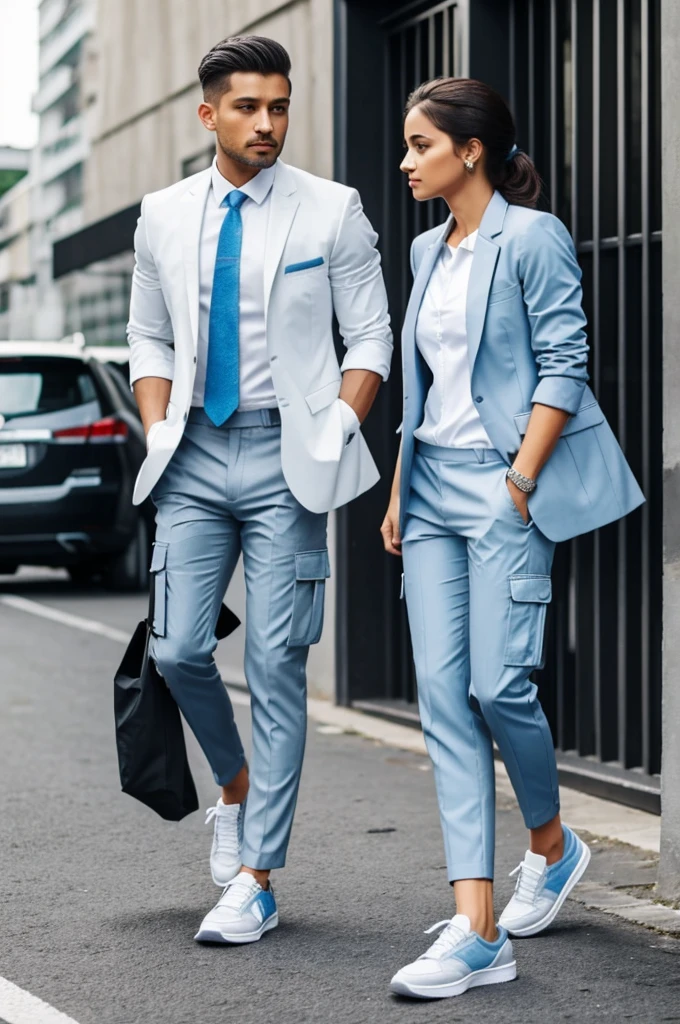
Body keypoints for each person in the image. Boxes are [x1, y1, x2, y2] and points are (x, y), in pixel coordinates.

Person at [381, 77, 643, 1000]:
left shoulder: (532, 238)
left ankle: (552, 844)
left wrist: (521, 483)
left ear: (471, 150)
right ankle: (478, 925)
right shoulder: (424, 250)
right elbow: (424, 385)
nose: (408, 161)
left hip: (502, 487)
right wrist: (401, 492)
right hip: (431, 494)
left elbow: (564, 364)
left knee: (499, 683)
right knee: (444, 699)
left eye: (420, 145)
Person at [127, 34, 392, 945]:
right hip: (193, 455)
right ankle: (234, 787)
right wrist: (161, 425)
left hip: (292, 458)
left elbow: (372, 338)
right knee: (176, 652)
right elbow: (148, 338)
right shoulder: (160, 214)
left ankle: (257, 876)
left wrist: (336, 430)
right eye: (248, 107)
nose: (269, 122)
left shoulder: (334, 210)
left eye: (279, 106)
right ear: (209, 114)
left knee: (278, 666)